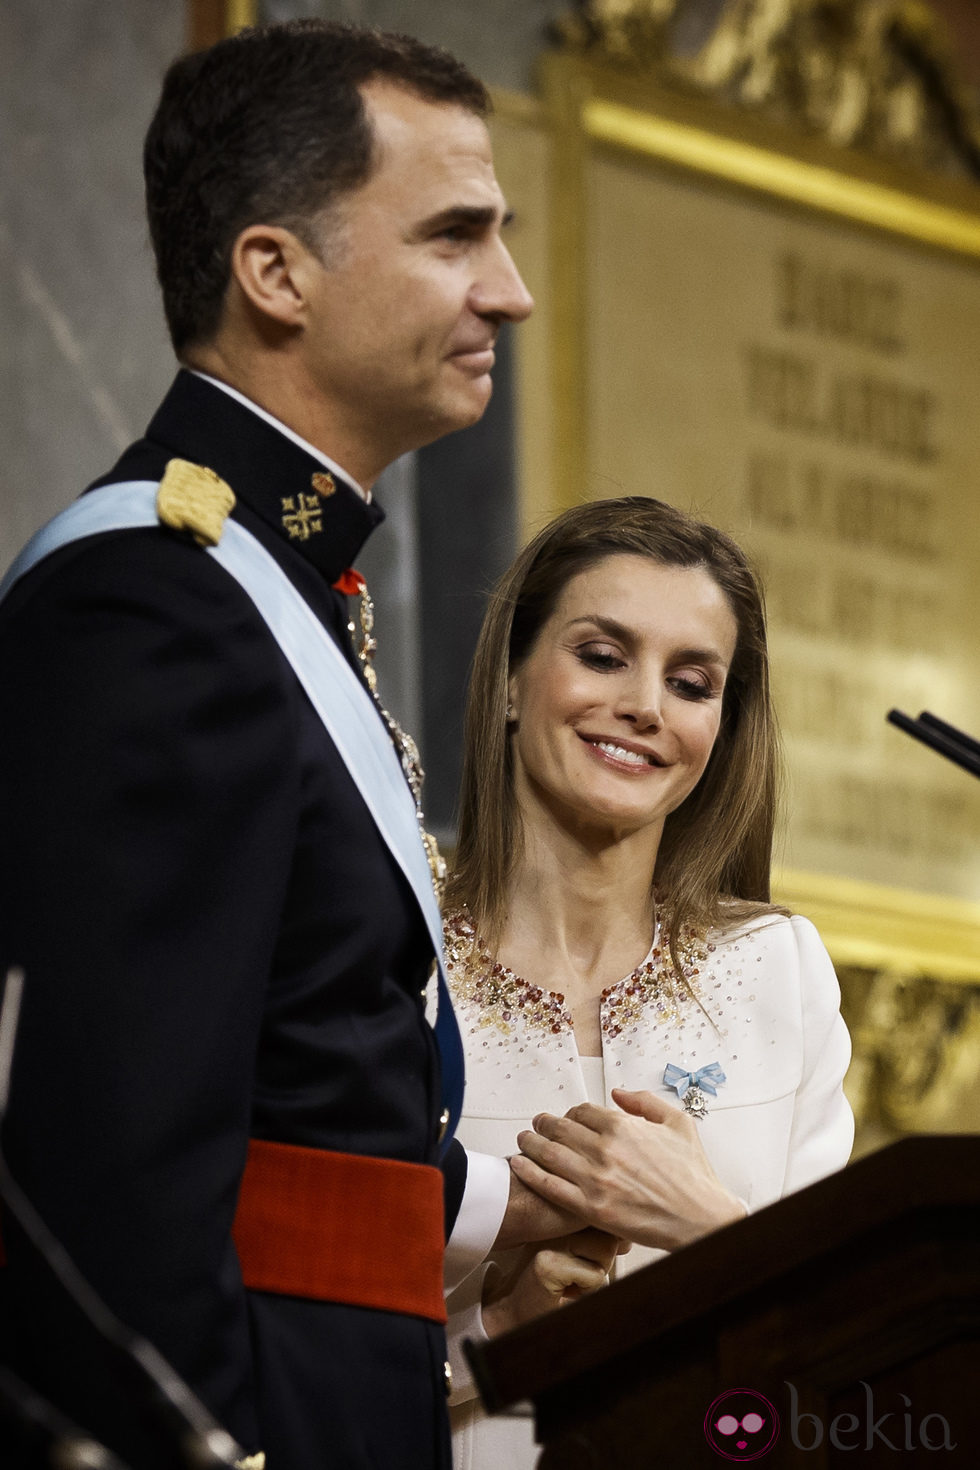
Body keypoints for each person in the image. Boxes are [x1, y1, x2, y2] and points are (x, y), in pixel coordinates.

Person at [0, 20, 537, 1470]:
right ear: (275, 273)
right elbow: (114, 1150)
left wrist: (504, 1210)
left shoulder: (279, 580)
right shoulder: (153, 602)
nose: (514, 289)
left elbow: (308, 1089)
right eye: (455, 235)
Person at [442, 496, 854, 1468]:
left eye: (691, 681)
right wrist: (500, 1333)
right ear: (508, 681)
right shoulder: (393, 964)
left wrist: (705, 1227)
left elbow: (850, 1353)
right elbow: (293, 1361)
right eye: (600, 655)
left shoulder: (774, 971)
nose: (645, 707)